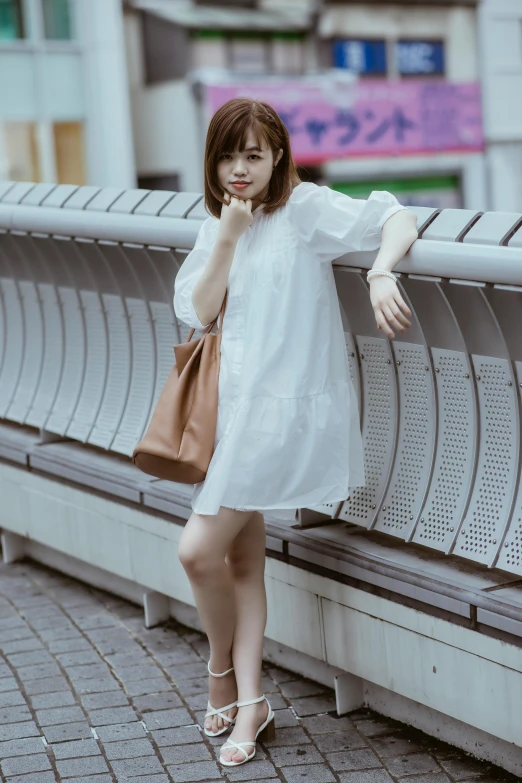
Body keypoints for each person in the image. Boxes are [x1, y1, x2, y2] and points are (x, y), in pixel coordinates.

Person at [173, 98, 418, 767]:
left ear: (279, 153)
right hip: (231, 415)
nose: (239, 168)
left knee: (197, 550)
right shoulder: (217, 221)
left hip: (278, 419)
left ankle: (222, 674)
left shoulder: (305, 211)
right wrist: (225, 235)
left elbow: (395, 212)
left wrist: (380, 269)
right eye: (228, 154)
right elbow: (198, 308)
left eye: (253, 153)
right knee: (243, 561)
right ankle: (251, 701)